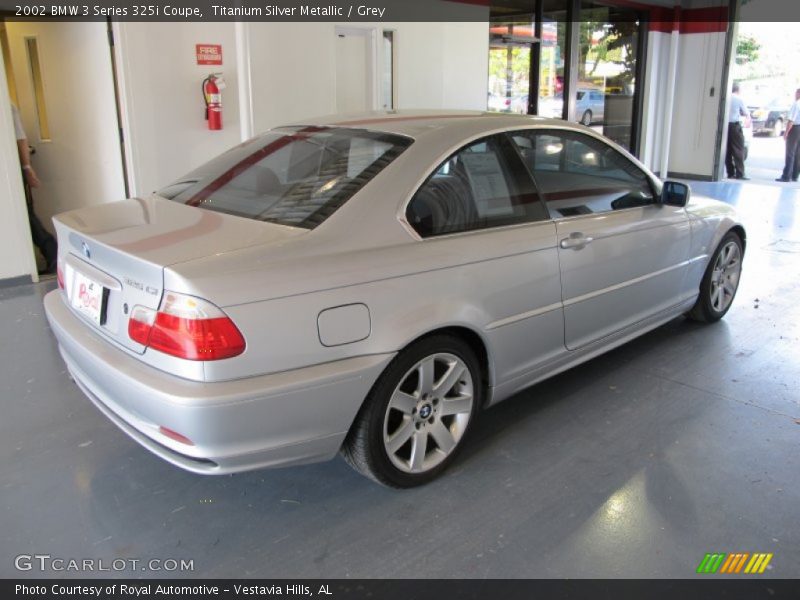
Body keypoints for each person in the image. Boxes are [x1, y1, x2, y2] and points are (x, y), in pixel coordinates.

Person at [12, 103, 57, 273]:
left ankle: (52, 254)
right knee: (26, 215)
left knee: (26, 215)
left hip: (13, 169)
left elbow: (21, 139)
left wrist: (26, 168)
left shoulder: (6, 106)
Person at [776, 87, 800, 183]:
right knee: (798, 153)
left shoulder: (796, 104)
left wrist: (786, 132)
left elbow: (791, 120)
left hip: (795, 128)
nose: (795, 95)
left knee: (790, 152)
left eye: (796, 93)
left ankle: (786, 176)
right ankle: (795, 175)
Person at [726, 83, 749, 180]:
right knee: (739, 149)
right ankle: (740, 173)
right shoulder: (739, 99)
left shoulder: (727, 97)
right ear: (738, 90)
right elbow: (746, 112)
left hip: (725, 125)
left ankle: (730, 172)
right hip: (735, 126)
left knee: (727, 149)